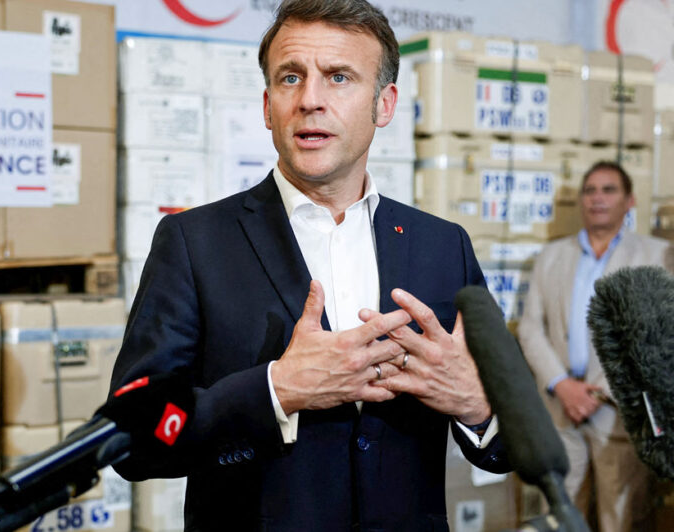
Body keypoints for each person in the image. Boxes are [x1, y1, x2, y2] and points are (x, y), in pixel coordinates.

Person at [111, 0, 510, 529]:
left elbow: (511, 445)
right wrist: (278, 390)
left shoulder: (443, 246)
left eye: (339, 77)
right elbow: (132, 439)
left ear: (384, 104)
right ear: (267, 106)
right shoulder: (193, 242)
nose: (310, 100)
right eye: (290, 78)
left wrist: (476, 405)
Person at [518, 161, 670, 532]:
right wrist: (562, 384)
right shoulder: (551, 256)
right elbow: (530, 328)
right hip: (559, 409)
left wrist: (600, 391)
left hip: (618, 413)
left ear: (630, 200)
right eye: (590, 190)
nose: (597, 199)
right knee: (560, 516)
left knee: (621, 519)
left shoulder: (658, 256)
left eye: (609, 190)